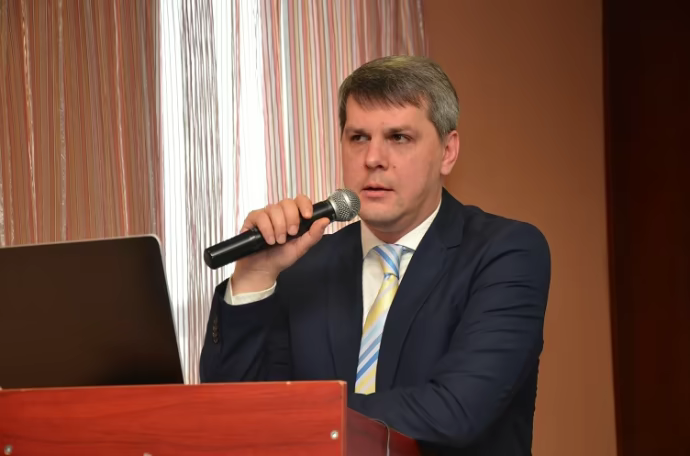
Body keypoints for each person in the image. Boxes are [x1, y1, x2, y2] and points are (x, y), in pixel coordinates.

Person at [200, 55, 551, 455]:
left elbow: (455, 410)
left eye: (398, 137)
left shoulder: (505, 252)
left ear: (448, 152)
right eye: (358, 138)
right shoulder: (302, 265)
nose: (372, 159)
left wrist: (289, 416)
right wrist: (254, 277)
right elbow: (230, 416)